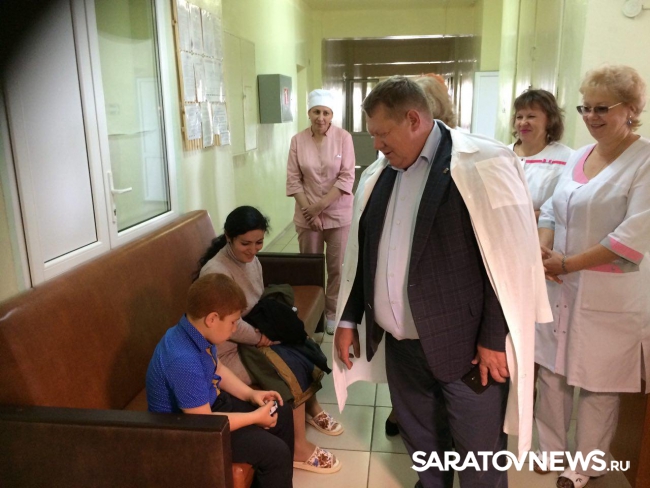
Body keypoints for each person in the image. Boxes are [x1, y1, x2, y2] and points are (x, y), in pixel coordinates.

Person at [332, 76, 551, 487]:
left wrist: (493, 338)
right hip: (403, 348)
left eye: (382, 133)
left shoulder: (484, 163)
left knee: (479, 455)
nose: (376, 144)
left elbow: (509, 262)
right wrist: (348, 319)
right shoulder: (381, 174)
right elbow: (364, 253)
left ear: (413, 119)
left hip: (466, 349)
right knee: (423, 442)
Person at [535, 65, 650, 488]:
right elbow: (551, 208)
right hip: (560, 281)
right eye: (586, 107)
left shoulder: (645, 160)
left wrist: (567, 264)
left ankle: (586, 464)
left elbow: (630, 237)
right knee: (552, 373)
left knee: (598, 382)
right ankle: (549, 450)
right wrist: (544, 249)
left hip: (608, 290)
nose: (591, 117)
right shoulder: (580, 155)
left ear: (631, 109)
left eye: (603, 108)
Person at [198, 206, 342, 474]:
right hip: (229, 348)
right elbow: (228, 325)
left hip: (250, 332)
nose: (253, 250)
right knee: (286, 367)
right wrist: (261, 337)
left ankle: (311, 407)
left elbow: (256, 300)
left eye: (258, 242)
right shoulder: (216, 272)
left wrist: (271, 330)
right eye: (245, 244)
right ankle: (298, 447)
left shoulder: (252, 260)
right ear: (228, 237)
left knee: (300, 343)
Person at [146, 273, 294, 488]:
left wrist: (251, 394)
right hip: (188, 432)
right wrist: (254, 417)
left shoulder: (195, 332)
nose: (235, 328)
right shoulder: (182, 359)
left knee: (282, 412)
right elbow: (203, 422)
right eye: (233, 322)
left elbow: (218, 368)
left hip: (210, 407)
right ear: (212, 319)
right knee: (275, 452)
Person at [380, 73, 459, 439]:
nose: (380, 143)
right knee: (413, 389)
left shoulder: (462, 162)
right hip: (402, 311)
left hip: (445, 310)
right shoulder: (389, 166)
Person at [286, 89, 356, 335]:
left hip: (338, 215)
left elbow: (347, 177)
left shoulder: (343, 138)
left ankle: (332, 312)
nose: (321, 117)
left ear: (332, 115)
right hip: (307, 216)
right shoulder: (297, 140)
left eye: (326, 112)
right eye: (316, 112)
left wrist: (318, 207)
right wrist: (310, 212)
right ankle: (314, 313)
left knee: (337, 267)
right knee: (310, 268)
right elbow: (293, 179)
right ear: (309, 113)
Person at [510, 89, 574, 219]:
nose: (523, 123)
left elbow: (566, 207)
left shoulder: (568, 158)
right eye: (519, 117)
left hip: (545, 230)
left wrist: (525, 218)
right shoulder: (501, 155)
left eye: (531, 116)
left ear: (550, 120)